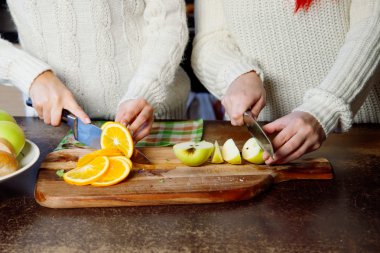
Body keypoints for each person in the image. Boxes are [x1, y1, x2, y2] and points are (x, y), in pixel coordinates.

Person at [192, 0, 380, 164]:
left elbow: (373, 25)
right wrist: (238, 74)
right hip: (257, 146)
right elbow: (209, 41)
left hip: (357, 141)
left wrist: (325, 108)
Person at [0, 0, 190, 142]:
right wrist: (31, 75)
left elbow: (169, 20)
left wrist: (145, 90)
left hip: (152, 121)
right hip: (52, 125)